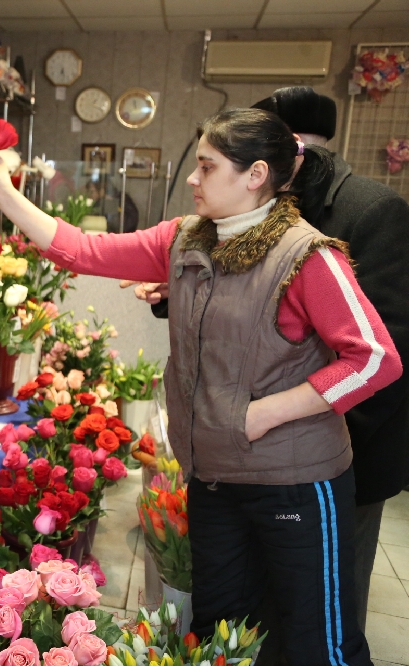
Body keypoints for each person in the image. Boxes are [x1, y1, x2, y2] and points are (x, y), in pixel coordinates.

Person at [0, 108, 402, 665]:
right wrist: (4, 193)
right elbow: (83, 249)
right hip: (213, 481)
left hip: (296, 482)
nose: (192, 179)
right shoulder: (185, 240)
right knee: (222, 632)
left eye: (207, 166)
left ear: (255, 175)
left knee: (317, 639)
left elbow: (374, 359)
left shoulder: (307, 256)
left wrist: (266, 413)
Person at [130, 87, 409, 634]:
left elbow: (383, 346)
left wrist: (300, 429)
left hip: (334, 449)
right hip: (247, 456)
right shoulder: (246, 212)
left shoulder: (368, 212)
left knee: (322, 618)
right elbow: (251, 310)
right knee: (240, 615)